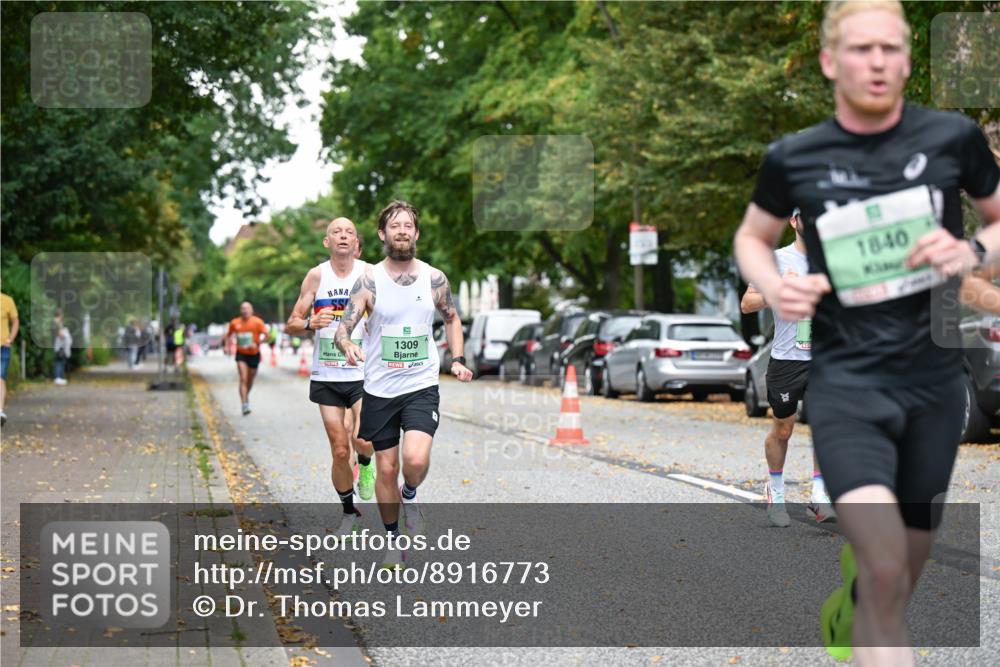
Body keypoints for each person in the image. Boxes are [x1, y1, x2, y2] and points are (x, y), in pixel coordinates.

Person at [733, 2, 1000, 663]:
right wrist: (773, 281)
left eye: (890, 48)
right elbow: (751, 237)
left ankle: (848, 611)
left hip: (933, 382)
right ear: (830, 61)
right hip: (846, 381)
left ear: (907, 59)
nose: (876, 61)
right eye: (859, 48)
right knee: (883, 565)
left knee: (903, 566)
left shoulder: (953, 138)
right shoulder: (795, 157)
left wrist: (969, 252)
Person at [335, 200, 473, 569]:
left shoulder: (434, 278)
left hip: (420, 384)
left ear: (416, 233)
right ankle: (393, 540)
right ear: (383, 234)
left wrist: (457, 360)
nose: (401, 231)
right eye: (394, 226)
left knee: (414, 460)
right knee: (385, 469)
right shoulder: (369, 280)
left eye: (407, 225)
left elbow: (453, 318)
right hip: (380, 388)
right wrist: (347, 343)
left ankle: (410, 495)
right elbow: (343, 328)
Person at [741, 209, 835, 526]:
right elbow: (747, 303)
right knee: (784, 429)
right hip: (787, 358)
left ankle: (819, 497)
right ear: (794, 221)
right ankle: (776, 492)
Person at [287, 218, 377, 541]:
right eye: (336, 232)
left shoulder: (369, 274)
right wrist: (311, 322)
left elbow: (388, 315)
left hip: (362, 372)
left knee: (363, 439)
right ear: (327, 242)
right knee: (340, 450)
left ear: (356, 242)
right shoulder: (316, 276)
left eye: (349, 232)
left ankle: (366, 463)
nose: (343, 236)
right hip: (326, 374)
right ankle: (349, 512)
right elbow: (292, 323)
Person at [225, 302, 269, 415]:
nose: (245, 310)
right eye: (243, 308)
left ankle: (245, 395)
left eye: (247, 308)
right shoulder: (235, 322)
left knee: (250, 379)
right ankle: (244, 404)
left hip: (254, 354)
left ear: (251, 310)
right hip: (241, 354)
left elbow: (267, 336)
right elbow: (228, 335)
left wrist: (258, 342)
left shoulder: (257, 322)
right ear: (240, 310)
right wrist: (226, 346)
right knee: (243, 378)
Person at [0, 288, 19, 426]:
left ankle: (0, 410)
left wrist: (10, 339)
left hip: (3, 347)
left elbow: (15, 322)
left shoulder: (7, 300)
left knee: (0, 378)